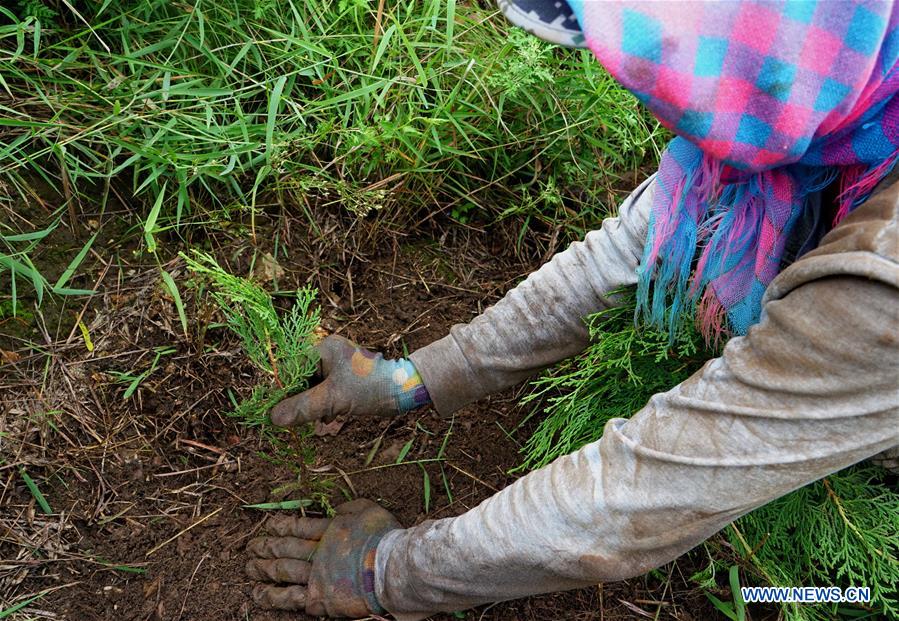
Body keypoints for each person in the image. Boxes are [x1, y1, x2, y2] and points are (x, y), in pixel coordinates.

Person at [244, 1, 899, 618]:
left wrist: (386, 573)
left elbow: (636, 496)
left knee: (834, 593)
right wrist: (411, 380)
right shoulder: (837, 80)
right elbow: (635, 249)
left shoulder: (881, 279)